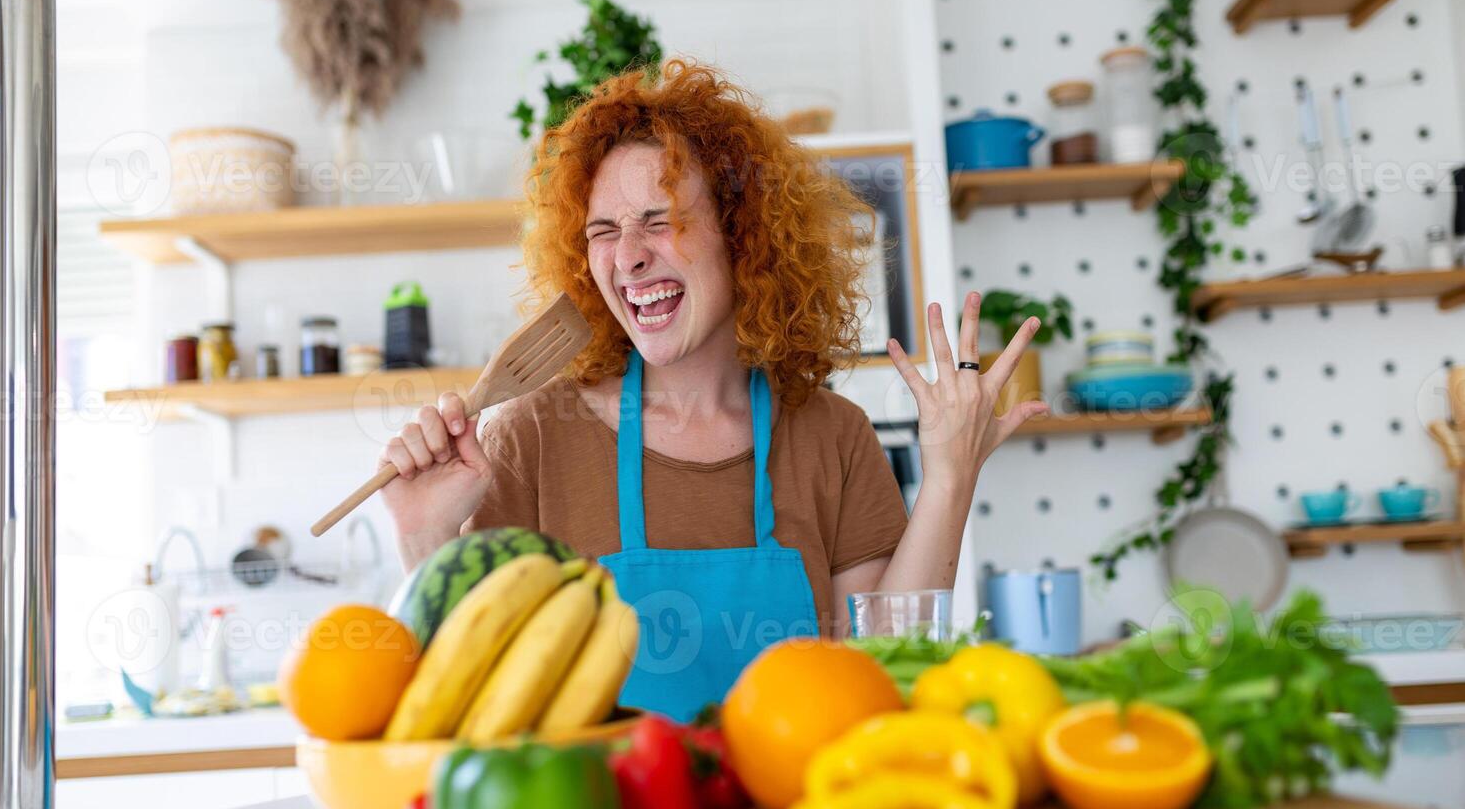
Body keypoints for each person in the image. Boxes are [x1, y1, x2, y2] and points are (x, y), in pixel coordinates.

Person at [380, 59, 1047, 720]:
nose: (630, 256)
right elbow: (472, 702)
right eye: (603, 232)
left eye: (659, 219)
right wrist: (426, 541)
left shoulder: (832, 437)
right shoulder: (529, 439)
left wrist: (952, 478)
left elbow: (880, 678)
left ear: (742, 233)